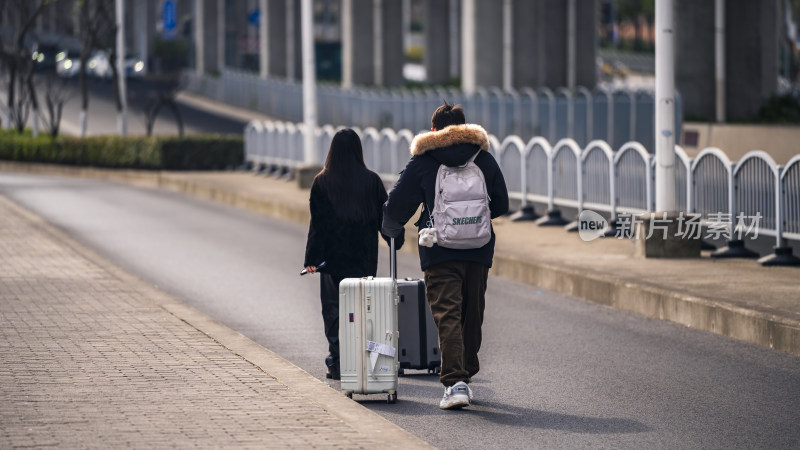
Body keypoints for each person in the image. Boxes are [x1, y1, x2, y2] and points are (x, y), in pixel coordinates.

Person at [382, 103, 508, 409]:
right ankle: (465, 371)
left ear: (434, 130)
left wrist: (392, 229)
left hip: (438, 250)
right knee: (471, 314)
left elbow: (396, 205)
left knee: (448, 314)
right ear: (465, 127)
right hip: (478, 249)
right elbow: (501, 205)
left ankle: (455, 382)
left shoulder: (424, 161)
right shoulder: (484, 158)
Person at [304, 128, 400, 380]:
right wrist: (394, 242)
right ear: (359, 151)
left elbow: (318, 226)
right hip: (364, 259)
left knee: (334, 310)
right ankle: (361, 359)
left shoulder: (321, 182)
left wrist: (312, 261)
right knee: (362, 309)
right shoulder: (372, 181)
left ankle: (337, 361)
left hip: (333, 260)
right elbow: (385, 220)